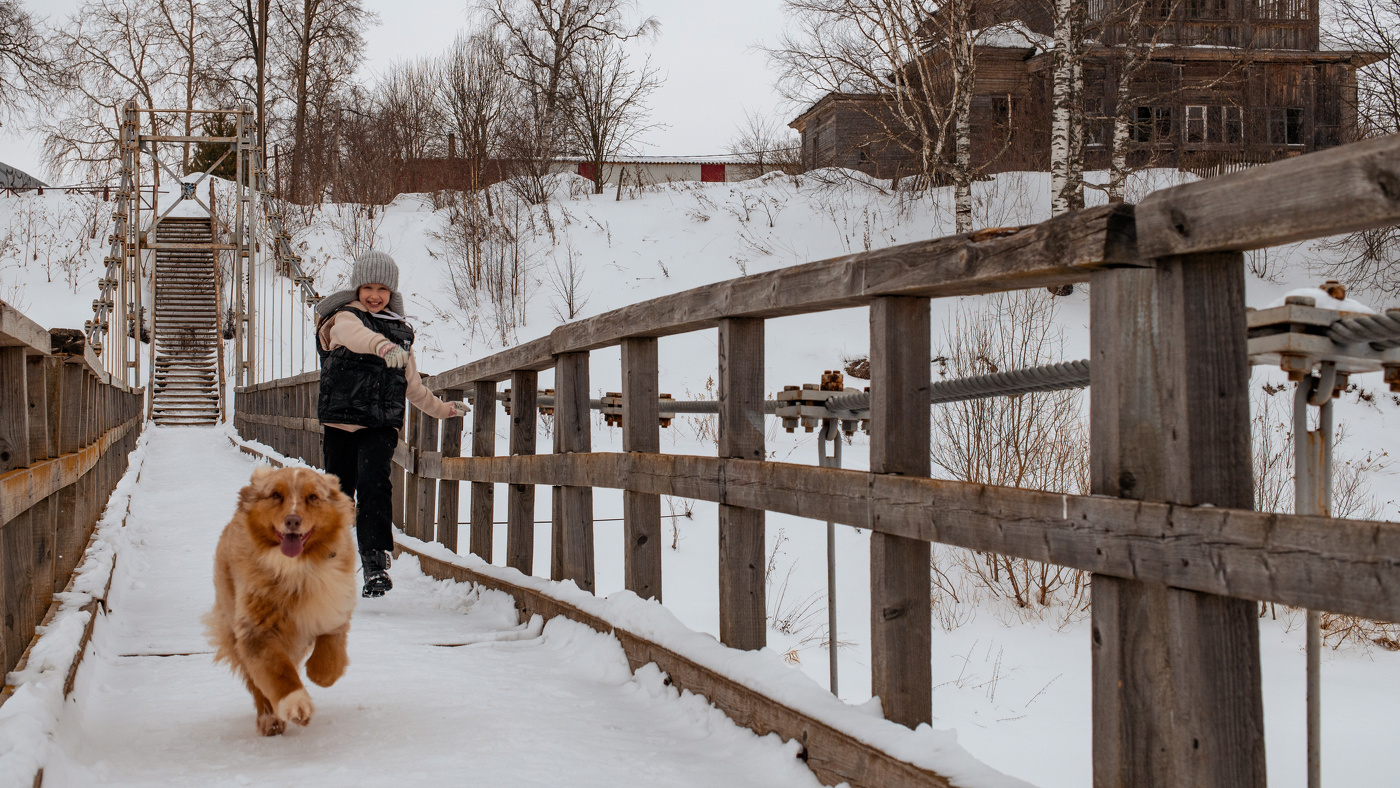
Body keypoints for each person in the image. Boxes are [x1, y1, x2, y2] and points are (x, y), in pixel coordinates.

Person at [313, 251, 467, 598]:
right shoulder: (345, 316)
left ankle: (374, 564)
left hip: (380, 424)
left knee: (375, 486)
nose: (374, 295)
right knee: (338, 493)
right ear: (357, 288)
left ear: (392, 291)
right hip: (342, 421)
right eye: (367, 286)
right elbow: (355, 337)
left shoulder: (402, 332)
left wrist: (443, 409)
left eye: (382, 288)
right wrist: (382, 347)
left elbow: (412, 387)